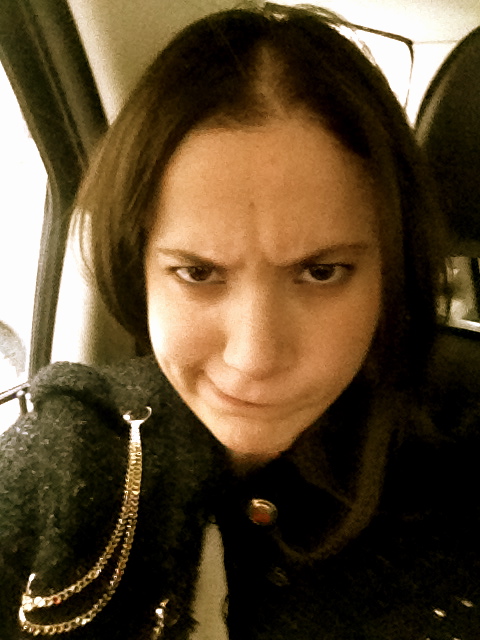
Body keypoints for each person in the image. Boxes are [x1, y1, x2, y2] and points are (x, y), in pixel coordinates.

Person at [1, 3, 479, 639]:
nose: (254, 357)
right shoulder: (70, 452)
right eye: (197, 272)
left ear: (392, 271)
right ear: (136, 267)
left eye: (321, 272)